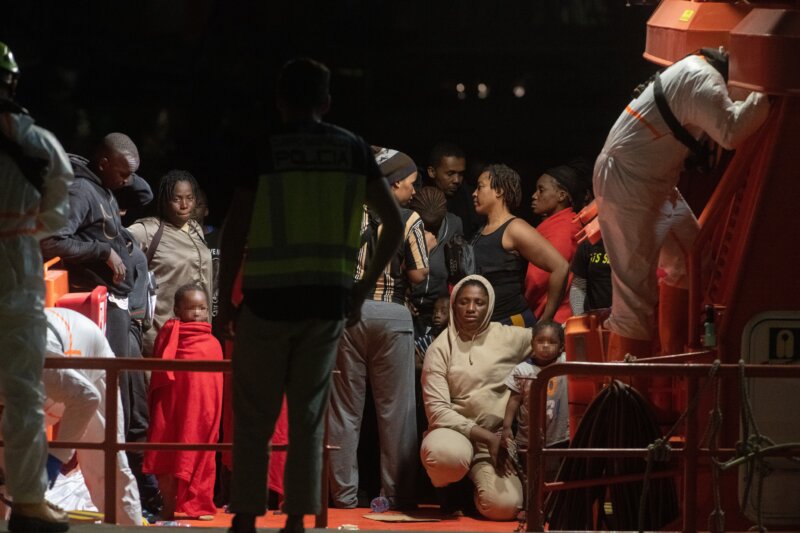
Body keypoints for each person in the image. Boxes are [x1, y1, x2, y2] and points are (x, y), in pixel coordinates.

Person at [218, 57, 403, 533]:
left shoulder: (264, 148)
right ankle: (297, 520)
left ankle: (244, 518)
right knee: (308, 416)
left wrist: (225, 303)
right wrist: (361, 289)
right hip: (325, 305)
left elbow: (236, 228)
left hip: (265, 301)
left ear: (280, 100)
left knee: (254, 417)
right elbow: (395, 226)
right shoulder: (353, 150)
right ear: (326, 101)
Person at [593, 48, 770, 357]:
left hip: (649, 182)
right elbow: (730, 131)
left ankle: (671, 360)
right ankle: (626, 398)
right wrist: (769, 91)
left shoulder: (695, 69)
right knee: (633, 298)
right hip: (629, 181)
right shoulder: (704, 79)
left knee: (692, 261)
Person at [39, 132, 157, 515]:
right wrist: (101, 250)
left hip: (117, 307)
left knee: (125, 404)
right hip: (95, 310)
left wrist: (124, 174)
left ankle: (122, 493)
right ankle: (92, 490)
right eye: (121, 172)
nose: (127, 182)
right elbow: (51, 241)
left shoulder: (104, 185)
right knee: (108, 407)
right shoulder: (82, 192)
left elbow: (145, 196)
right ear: (104, 163)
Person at [328, 146, 428, 511]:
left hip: (348, 317)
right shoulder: (409, 218)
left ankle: (343, 496)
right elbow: (418, 274)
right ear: (395, 182)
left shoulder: (346, 214)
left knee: (343, 411)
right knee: (396, 412)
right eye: (411, 184)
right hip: (391, 315)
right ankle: (397, 495)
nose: (414, 192)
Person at [0, 40, 73, 532]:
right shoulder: (37, 142)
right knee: (23, 394)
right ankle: (27, 501)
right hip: (16, 273)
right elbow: (56, 211)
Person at [420, 275, 532, 520]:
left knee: (505, 506)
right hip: (453, 434)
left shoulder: (509, 337)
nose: (471, 308)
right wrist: (486, 437)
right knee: (445, 456)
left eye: (479, 302)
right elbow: (437, 411)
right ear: (453, 304)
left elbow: (551, 339)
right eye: (464, 302)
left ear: (489, 304)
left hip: (494, 440)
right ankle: (451, 490)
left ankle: (475, 491)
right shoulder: (440, 347)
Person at [42, 307, 143, 526]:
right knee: (9, 473)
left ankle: (128, 528)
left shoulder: (37, 356)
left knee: (107, 468)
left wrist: (55, 458)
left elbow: (86, 397)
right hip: (39, 381)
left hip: (89, 362)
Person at [144, 284, 222, 521]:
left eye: (202, 308)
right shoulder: (170, 336)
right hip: (172, 406)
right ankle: (167, 506)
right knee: (167, 451)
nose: (197, 313)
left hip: (202, 409)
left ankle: (198, 505)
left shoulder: (213, 343)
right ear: (177, 309)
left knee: (202, 450)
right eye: (191, 308)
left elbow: (215, 386)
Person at [128, 170, 213, 356]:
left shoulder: (195, 229)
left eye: (190, 198)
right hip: (162, 335)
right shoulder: (147, 230)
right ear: (165, 200)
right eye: (177, 199)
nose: (184, 205)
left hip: (197, 335)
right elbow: (115, 243)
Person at [471, 164, 569, 326]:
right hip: (487, 325)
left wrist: (545, 320)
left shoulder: (514, 228)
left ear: (499, 191)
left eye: (480, 187)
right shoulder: (480, 231)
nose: (474, 193)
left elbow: (560, 267)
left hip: (510, 324)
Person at [501, 320, 569, 480]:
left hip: (559, 435)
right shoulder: (522, 370)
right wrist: (506, 427)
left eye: (552, 342)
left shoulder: (565, 363)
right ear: (532, 343)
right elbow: (514, 400)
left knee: (556, 477)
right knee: (532, 477)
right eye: (541, 341)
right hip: (529, 437)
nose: (545, 346)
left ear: (561, 347)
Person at [524, 160, 590, 323]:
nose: (534, 196)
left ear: (562, 195)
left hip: (556, 318)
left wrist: (522, 304)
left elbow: (537, 280)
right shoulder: (564, 224)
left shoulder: (564, 229)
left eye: (541, 190)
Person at [408, 186, 462, 338]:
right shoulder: (405, 223)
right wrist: (403, 297)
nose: (429, 231)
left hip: (440, 312)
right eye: (424, 226)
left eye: (434, 226)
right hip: (412, 309)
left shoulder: (454, 225)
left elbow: (459, 270)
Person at [422, 142, 484, 240]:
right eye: (450, 174)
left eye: (461, 174)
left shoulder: (471, 198)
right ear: (432, 172)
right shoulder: (418, 197)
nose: (457, 180)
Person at [570, 238, 612, 315]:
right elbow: (578, 286)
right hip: (594, 318)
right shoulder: (589, 243)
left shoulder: (634, 244)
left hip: (629, 318)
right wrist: (578, 316)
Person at [414, 295, 449, 366]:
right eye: (435, 312)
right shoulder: (427, 341)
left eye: (444, 312)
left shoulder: (458, 341)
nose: (437, 315)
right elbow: (415, 364)